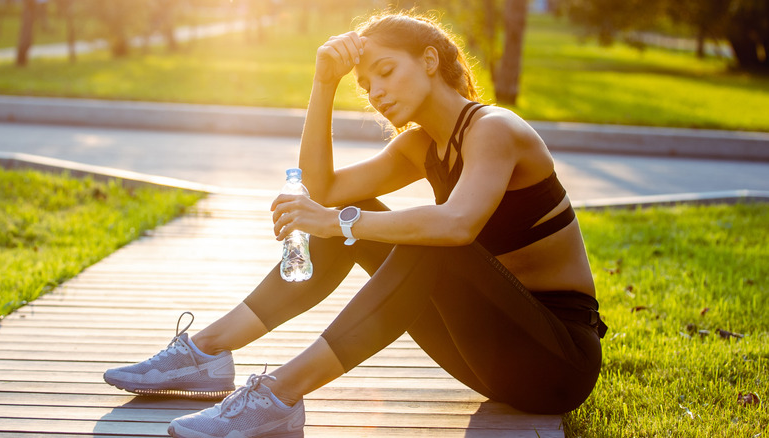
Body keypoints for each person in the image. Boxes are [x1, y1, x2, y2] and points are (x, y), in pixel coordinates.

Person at [103, 11, 607, 438]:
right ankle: (205, 352)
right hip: (491, 358)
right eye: (366, 85)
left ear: (430, 61)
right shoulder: (422, 147)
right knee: (362, 214)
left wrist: (338, 220)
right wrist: (324, 83)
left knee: (424, 235)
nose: (377, 92)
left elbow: (455, 225)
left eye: (386, 71)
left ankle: (280, 392)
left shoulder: (495, 130)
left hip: (557, 361)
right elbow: (324, 190)